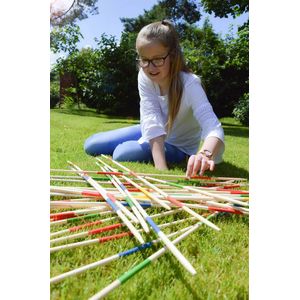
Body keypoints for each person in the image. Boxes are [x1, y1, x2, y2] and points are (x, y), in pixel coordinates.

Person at [84, 20, 225, 178]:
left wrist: (205, 155)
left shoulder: (190, 84)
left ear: (172, 56)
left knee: (122, 153)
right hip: (151, 130)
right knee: (91, 145)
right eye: (144, 59)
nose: (150, 68)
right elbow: (151, 119)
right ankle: (139, 143)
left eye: (158, 59)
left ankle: (139, 146)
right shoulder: (144, 76)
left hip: (178, 146)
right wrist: (161, 166)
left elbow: (213, 127)